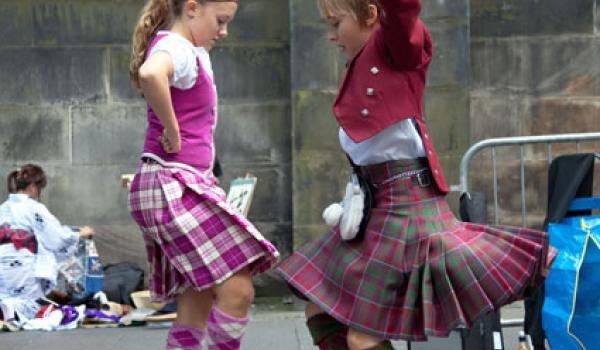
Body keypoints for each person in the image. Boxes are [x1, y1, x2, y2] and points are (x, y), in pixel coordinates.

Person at [276, 1, 557, 349]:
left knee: (363, 337)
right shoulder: (363, 58)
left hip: (406, 206)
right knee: (319, 309)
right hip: (375, 206)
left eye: (336, 23)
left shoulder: (394, 46)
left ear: (371, 14)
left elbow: (403, 9)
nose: (330, 35)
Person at [127, 1, 279, 349]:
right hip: (173, 183)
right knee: (237, 291)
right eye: (221, 21)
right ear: (192, 8)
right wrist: (173, 130)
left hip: (174, 182)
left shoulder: (188, 49)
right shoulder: (176, 47)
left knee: (197, 301)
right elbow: (151, 74)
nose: (224, 32)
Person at [0, 164, 95, 324]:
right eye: (39, 188)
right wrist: (79, 234)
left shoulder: (2, 208)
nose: (39, 193)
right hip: (23, 270)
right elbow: (57, 238)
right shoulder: (34, 208)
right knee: (35, 306)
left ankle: (7, 306)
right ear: (32, 186)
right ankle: (16, 309)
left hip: (2, 270)